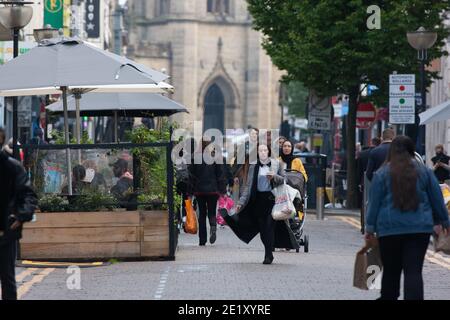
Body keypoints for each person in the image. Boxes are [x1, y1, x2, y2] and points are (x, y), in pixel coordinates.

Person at [365, 136, 450, 300]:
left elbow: (374, 202)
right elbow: (437, 199)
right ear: (412, 151)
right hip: (419, 230)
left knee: (391, 270)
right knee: (414, 271)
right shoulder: (424, 172)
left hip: (389, 230)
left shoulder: (382, 173)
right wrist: (444, 221)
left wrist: (370, 228)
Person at [231, 144, 285, 264]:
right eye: (260, 150)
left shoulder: (276, 164)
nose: (263, 152)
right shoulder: (253, 167)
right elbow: (247, 187)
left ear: (269, 151)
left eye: (265, 150)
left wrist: (274, 177)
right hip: (257, 201)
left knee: (269, 228)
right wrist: (240, 203)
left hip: (272, 199)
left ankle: (268, 255)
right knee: (262, 230)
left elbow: (284, 180)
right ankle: (268, 251)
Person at [0, 142, 38, 300]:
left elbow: (28, 195)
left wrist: (21, 216)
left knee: (7, 278)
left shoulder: (12, 167)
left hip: (5, 233)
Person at [189, 139, 227, 246]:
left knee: (202, 214)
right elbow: (220, 175)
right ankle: (213, 226)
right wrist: (222, 190)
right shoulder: (215, 158)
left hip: (199, 191)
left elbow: (191, 176)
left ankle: (202, 239)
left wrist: (190, 192)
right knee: (211, 211)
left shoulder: (195, 158)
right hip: (213, 190)